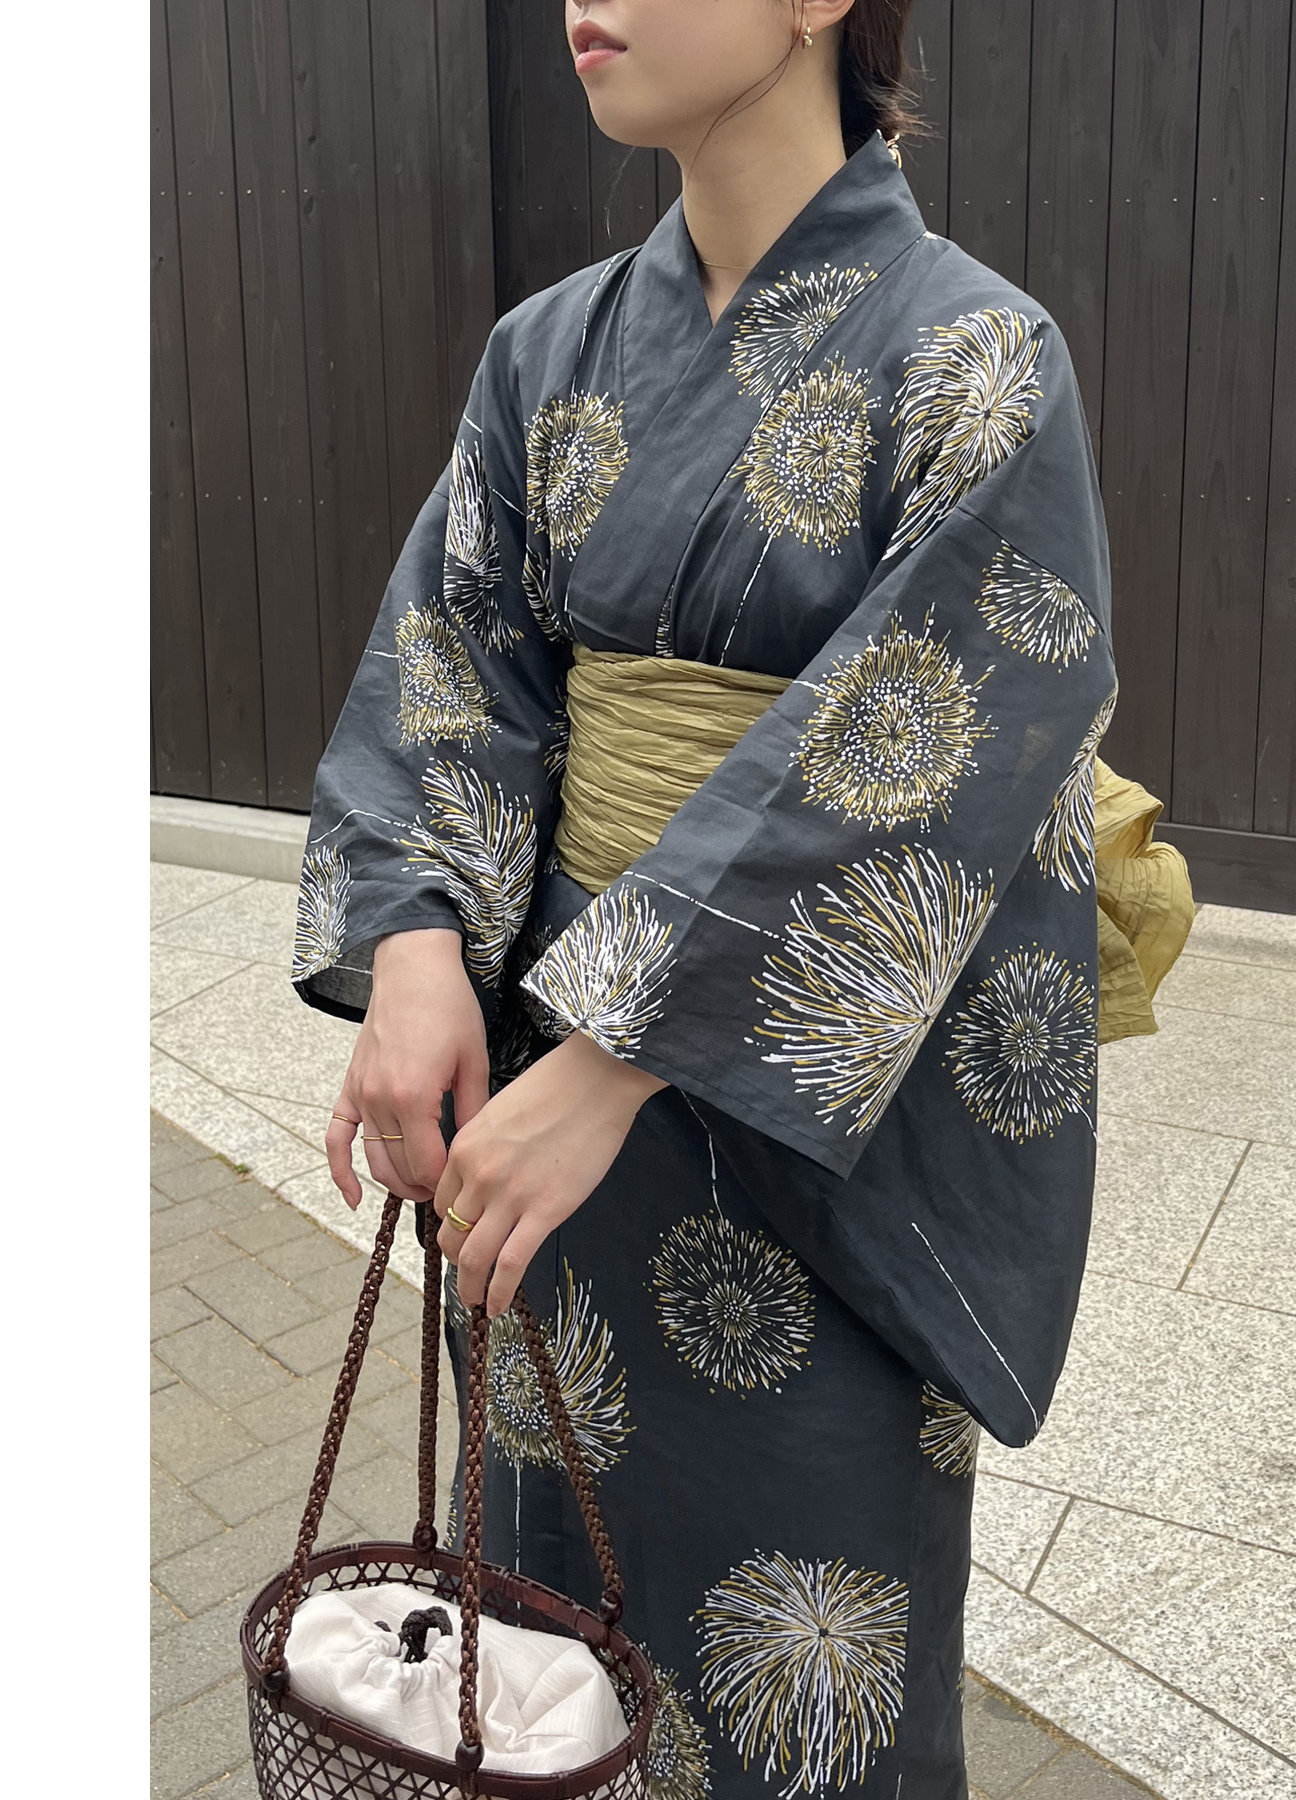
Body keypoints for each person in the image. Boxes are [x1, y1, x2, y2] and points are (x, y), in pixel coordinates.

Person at [292, 2, 1190, 1794]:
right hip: (540, 1115)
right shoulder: (547, 351)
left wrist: (619, 1058)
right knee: (543, 1654)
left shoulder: (978, 358)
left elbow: (940, 750)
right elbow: (453, 667)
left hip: (808, 1152)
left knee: (802, 1659)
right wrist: (413, 947)